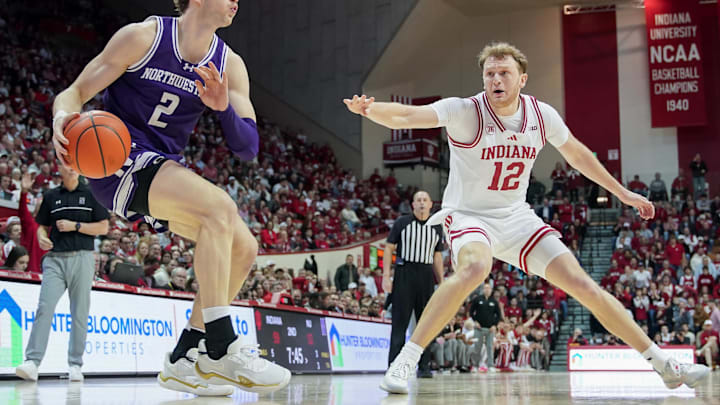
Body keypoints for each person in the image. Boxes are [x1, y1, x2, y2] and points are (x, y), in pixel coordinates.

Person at [343, 42, 708, 394]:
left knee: (584, 287)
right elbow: (409, 115)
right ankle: (407, 358)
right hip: (469, 216)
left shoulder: (541, 114)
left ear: (522, 79)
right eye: (489, 74)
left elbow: (578, 155)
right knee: (473, 269)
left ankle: (664, 366)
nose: (495, 80)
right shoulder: (465, 111)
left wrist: (622, 193)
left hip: (517, 217)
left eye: (504, 72)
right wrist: (370, 110)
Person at [50, 0, 289, 395]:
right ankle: (221, 343)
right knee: (219, 208)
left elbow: (248, 147)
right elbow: (73, 93)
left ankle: (184, 356)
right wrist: (63, 119)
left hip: (159, 169)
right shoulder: (142, 37)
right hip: (118, 158)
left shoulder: (230, 64)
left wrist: (223, 106)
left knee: (243, 248)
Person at [15, 166, 109, 382]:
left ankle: (75, 365)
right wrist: (41, 237)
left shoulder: (91, 193)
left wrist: (75, 226)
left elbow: (103, 227)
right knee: (44, 308)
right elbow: (41, 226)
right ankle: (32, 362)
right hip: (55, 259)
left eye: (76, 166)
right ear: (60, 169)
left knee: (79, 313)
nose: (73, 169)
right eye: (68, 165)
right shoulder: (51, 195)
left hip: (83, 258)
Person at [383, 191, 444, 378]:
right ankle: (394, 366)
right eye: (419, 200)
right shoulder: (402, 222)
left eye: (425, 200)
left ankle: (424, 367)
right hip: (405, 273)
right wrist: (386, 275)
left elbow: (437, 255)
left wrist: (441, 282)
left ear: (431, 204)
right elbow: (389, 247)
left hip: (426, 275)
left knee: (425, 323)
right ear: (413, 204)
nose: (422, 203)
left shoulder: (437, 226)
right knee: (399, 323)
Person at [469, 284, 502, 372]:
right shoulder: (477, 299)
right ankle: (475, 365)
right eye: (485, 288)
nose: (487, 290)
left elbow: (498, 315)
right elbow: (471, 312)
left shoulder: (494, 301)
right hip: (479, 328)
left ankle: (491, 365)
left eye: (489, 288)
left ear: (491, 290)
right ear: (482, 289)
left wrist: (494, 325)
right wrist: (475, 321)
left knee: (490, 347)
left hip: (490, 329)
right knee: (477, 347)